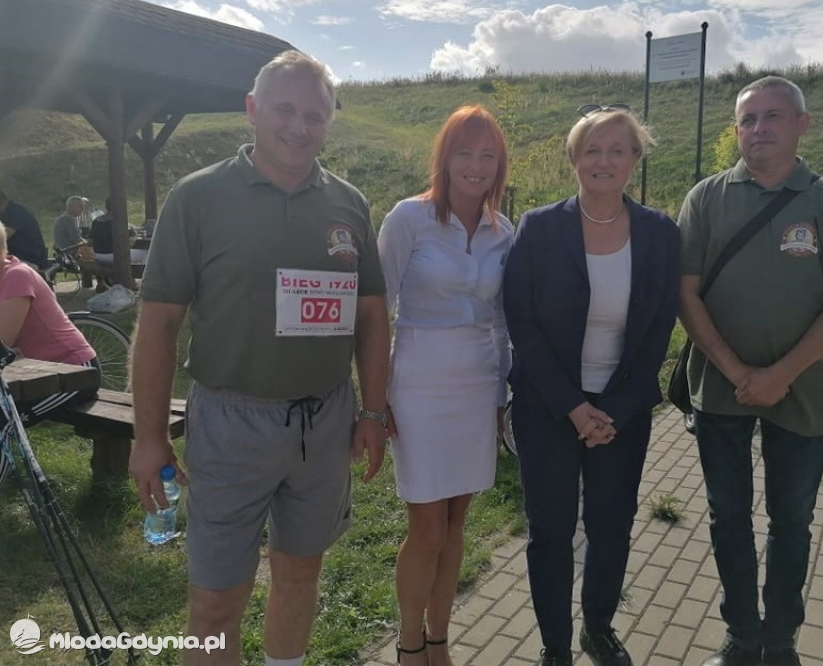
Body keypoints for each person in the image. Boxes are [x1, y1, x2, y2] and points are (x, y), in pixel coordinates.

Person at [128, 50, 391, 666]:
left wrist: (373, 413)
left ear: (329, 121)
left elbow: (372, 317)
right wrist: (149, 436)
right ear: (252, 110)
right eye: (284, 110)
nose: (299, 127)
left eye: (314, 115)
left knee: (300, 576)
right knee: (215, 601)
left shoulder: (348, 204)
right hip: (230, 423)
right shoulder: (198, 197)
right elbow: (158, 324)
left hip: (324, 421)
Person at [677, 76, 823, 666]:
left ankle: (781, 639)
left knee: (792, 521)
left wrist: (780, 373)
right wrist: (738, 370)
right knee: (728, 518)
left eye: (773, 116)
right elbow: (685, 295)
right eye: (748, 119)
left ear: (801, 124)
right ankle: (742, 636)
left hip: (801, 392)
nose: (758, 129)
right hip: (719, 389)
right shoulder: (706, 198)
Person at [504, 104, 680, 666]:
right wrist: (574, 407)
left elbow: (660, 326)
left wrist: (616, 410)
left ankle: (598, 629)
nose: (604, 161)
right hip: (548, 407)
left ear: (635, 158)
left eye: (617, 150)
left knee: (612, 525)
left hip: (621, 410)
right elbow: (521, 322)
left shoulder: (659, 232)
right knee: (551, 530)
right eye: (592, 150)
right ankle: (555, 644)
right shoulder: (539, 227)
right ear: (574, 159)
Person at [378, 105, 512, 665]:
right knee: (428, 526)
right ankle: (409, 642)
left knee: (458, 522)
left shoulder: (504, 232)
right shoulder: (408, 219)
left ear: (499, 165)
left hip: (478, 385)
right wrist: (373, 398)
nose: (476, 165)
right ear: (445, 157)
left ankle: (439, 638)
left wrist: (503, 395)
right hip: (420, 384)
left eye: (487, 155)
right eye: (465, 152)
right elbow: (376, 312)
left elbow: (502, 320)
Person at [0, 221, 98, 483]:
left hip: (75, 373)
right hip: (40, 374)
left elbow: (2, 342)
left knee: (4, 418)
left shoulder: (16, 276)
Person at [91, 197, 149, 265]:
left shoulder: (95, 221)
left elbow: (90, 240)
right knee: (147, 253)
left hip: (98, 256)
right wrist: (134, 235)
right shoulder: (118, 221)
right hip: (114, 256)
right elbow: (128, 245)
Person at [0, 190, 47, 269]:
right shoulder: (3, 213)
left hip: (29, 258)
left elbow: (4, 234)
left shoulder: (16, 212)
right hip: (15, 256)